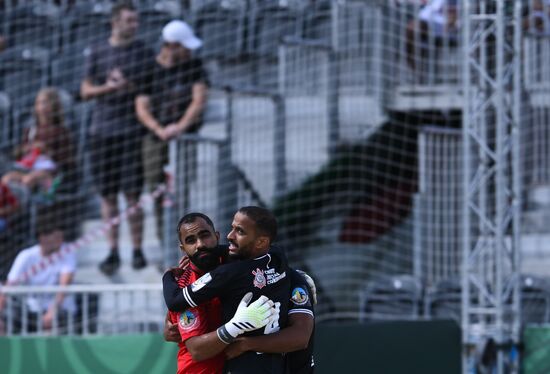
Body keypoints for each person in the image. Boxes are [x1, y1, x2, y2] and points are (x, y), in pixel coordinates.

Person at [164, 206, 293, 373]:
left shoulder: (234, 265)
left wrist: (298, 278)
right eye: (190, 241)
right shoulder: (184, 286)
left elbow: (264, 255)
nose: (200, 245)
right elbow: (196, 350)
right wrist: (234, 326)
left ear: (216, 236)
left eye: (205, 236)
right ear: (183, 249)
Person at [80, 0, 154, 275]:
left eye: (136, 21)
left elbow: (152, 89)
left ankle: (136, 249)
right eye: (129, 21)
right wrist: (107, 88)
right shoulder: (98, 51)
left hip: (132, 133)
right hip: (101, 132)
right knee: (108, 196)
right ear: (115, 22)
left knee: (133, 195)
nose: (134, 25)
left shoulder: (143, 52)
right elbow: (85, 90)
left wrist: (128, 86)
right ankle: (112, 250)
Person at [136, 20, 208, 245]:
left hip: (185, 137)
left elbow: (199, 100)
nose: (188, 50)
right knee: (157, 189)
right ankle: (164, 240)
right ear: (171, 45)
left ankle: (186, 242)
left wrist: (180, 126)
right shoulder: (148, 69)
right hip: (155, 139)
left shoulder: (194, 66)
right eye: (184, 46)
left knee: (183, 188)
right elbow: (141, 106)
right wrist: (159, 129)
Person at [0, 205, 77, 334]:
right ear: (42, 237)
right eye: (56, 237)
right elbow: (9, 286)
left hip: (59, 309)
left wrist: (52, 311)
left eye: (61, 237)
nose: (61, 240)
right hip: (31, 310)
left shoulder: (67, 252)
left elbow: (65, 284)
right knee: (7, 318)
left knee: (52, 321)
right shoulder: (27, 255)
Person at [2, 88, 77, 200]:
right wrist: (26, 149)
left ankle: (23, 207)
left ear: (54, 106)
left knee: (29, 180)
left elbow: (67, 161)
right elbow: (18, 154)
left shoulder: (62, 131)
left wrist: (47, 151)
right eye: (38, 103)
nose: (41, 107)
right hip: (28, 169)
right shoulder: (30, 130)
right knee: (7, 179)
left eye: (45, 102)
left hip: (49, 174)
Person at [405, 0, 459, 71]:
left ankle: (419, 71)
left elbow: (456, 15)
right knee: (411, 29)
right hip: (425, 22)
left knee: (413, 28)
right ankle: (416, 69)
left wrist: (450, 23)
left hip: (441, 26)